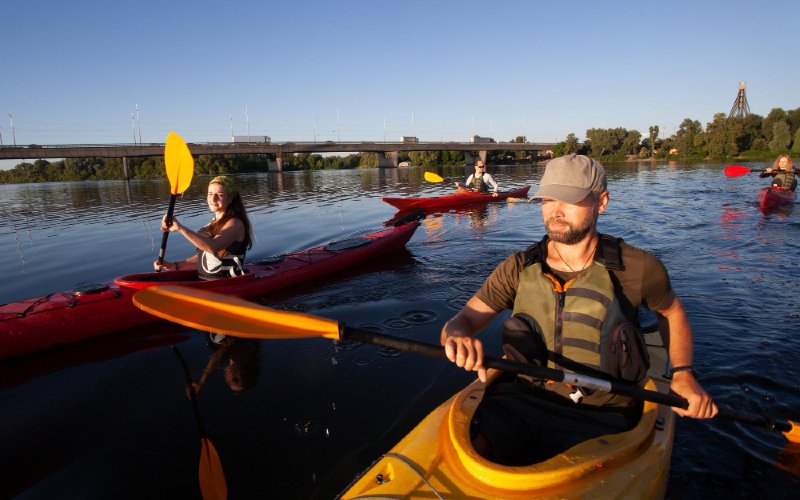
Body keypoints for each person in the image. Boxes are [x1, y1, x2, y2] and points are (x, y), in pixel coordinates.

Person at [440, 154, 718, 466]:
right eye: (547, 199)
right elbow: (462, 320)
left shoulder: (639, 268)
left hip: (605, 413)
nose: (555, 211)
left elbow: (671, 312)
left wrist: (682, 373)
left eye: (569, 200)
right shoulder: (517, 268)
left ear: (602, 202)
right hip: (522, 401)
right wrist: (457, 336)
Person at [154, 175, 253, 279]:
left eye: (220, 195)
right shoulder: (211, 224)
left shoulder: (235, 224)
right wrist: (174, 265)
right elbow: (203, 258)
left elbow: (212, 247)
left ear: (230, 199)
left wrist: (180, 228)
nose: (213, 199)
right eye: (210, 194)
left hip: (227, 285)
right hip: (206, 283)